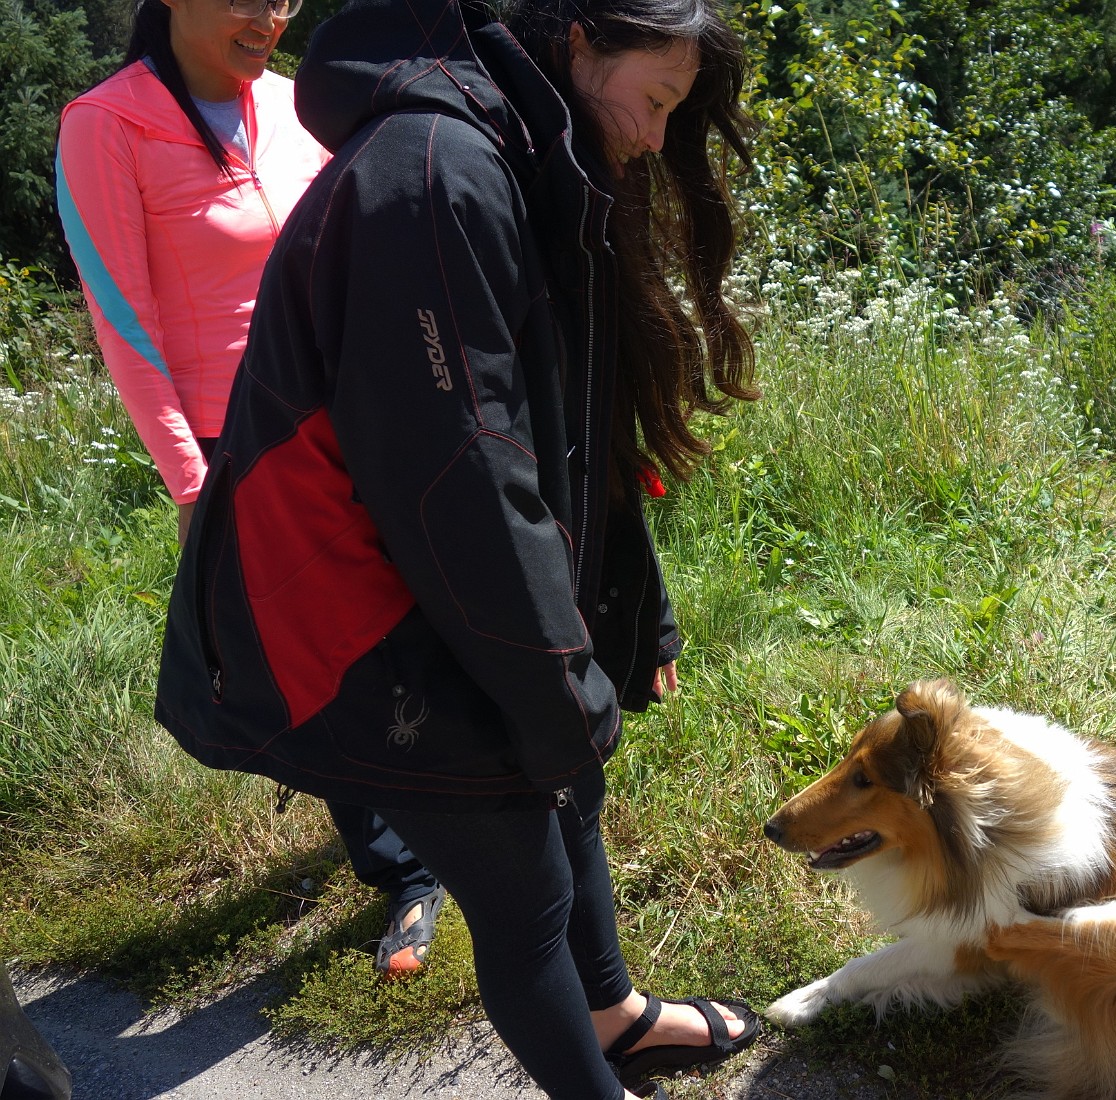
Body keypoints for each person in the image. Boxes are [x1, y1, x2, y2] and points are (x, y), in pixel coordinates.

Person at [150, 0, 764, 1093]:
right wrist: (555, 685)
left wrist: (637, 612)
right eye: (657, 100)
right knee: (524, 891)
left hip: (439, 578)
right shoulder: (433, 175)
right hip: (358, 606)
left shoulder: (520, 151)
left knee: (567, 791)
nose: (655, 136)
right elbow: (458, 485)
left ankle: (614, 1016)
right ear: (581, 42)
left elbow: (569, 427)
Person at [55, 0, 448, 978]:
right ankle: (404, 870)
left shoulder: (296, 99)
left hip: (356, 410)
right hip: (242, 445)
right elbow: (121, 317)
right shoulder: (107, 122)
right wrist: (192, 481)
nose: (267, 15)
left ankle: (470, 810)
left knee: (427, 615)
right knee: (328, 655)